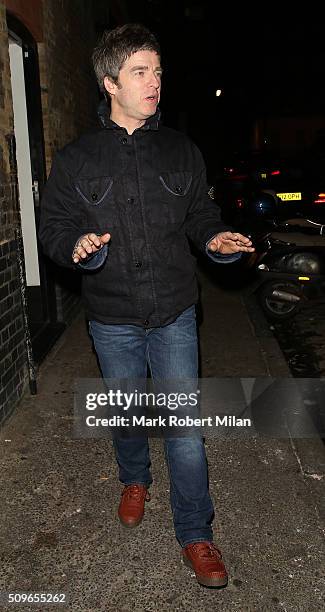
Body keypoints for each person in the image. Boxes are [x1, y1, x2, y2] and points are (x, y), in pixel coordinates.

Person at [39, 23, 254, 588]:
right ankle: (133, 477)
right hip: (112, 318)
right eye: (140, 72)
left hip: (176, 313)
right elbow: (54, 228)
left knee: (184, 428)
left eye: (157, 71)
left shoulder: (181, 150)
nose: (154, 82)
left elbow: (200, 218)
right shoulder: (77, 159)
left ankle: (196, 533)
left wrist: (216, 240)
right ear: (111, 82)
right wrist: (75, 246)